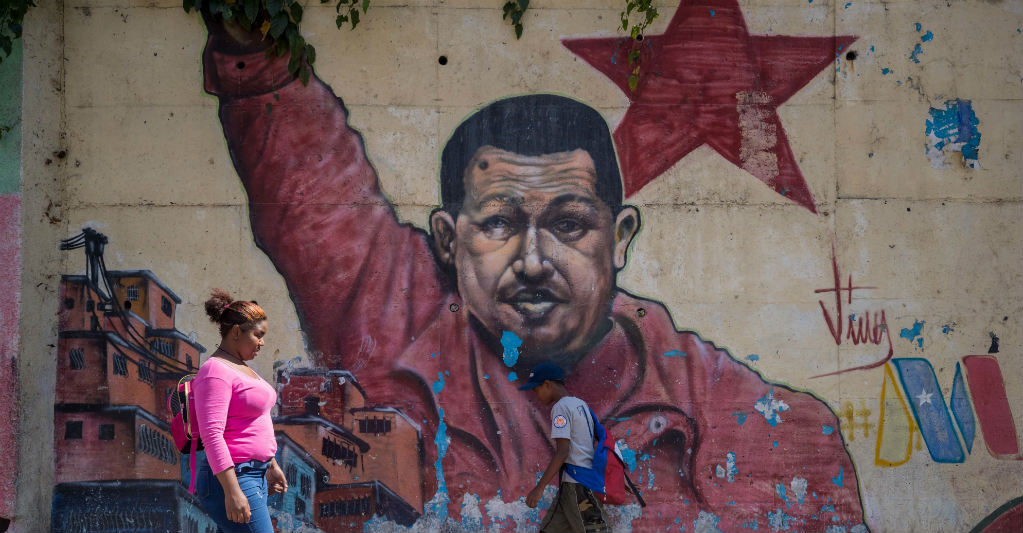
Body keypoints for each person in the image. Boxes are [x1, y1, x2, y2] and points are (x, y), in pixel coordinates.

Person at [199, 18, 867, 532]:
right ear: (447, 240)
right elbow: (309, 189)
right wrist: (251, 37)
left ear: (621, 236)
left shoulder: (766, 430)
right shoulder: (392, 314)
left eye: (569, 223)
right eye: (498, 223)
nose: (534, 259)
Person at [193, 289, 287, 532]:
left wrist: (271, 464)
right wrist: (232, 490)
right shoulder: (216, 371)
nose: (262, 342)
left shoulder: (242, 368)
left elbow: (253, 421)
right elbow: (212, 435)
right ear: (236, 332)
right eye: (258, 335)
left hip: (254, 475)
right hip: (233, 477)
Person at [521, 363, 610, 533]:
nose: (536, 395)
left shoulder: (560, 408)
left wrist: (539, 488)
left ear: (547, 384)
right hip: (573, 485)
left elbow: (563, 451)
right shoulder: (581, 405)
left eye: (536, 389)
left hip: (579, 487)